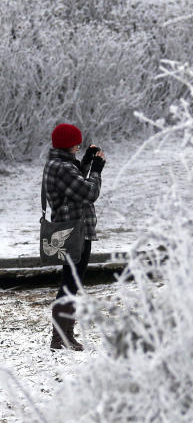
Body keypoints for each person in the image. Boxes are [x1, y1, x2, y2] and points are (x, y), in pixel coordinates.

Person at [42, 123, 106, 351]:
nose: (79, 144)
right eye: (76, 142)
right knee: (70, 283)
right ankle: (61, 337)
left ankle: (63, 335)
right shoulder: (63, 168)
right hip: (76, 232)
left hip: (68, 231)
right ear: (69, 144)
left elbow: (75, 181)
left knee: (70, 281)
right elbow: (89, 192)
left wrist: (87, 162)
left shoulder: (57, 164)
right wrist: (97, 170)